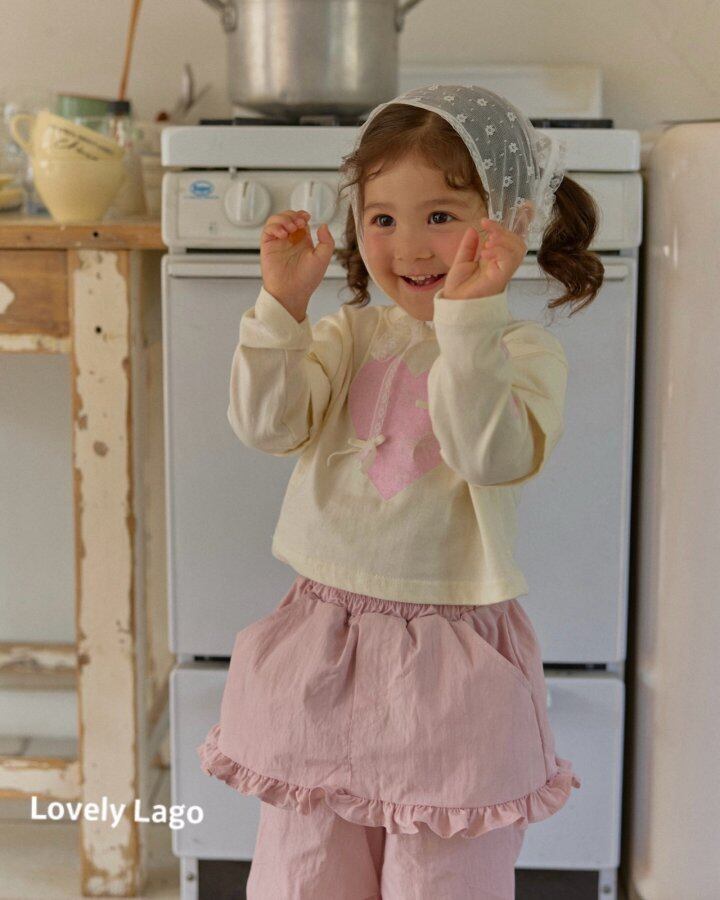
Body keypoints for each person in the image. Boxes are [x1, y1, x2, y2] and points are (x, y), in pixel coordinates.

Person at [198, 84, 603, 899]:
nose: (410, 246)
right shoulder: (347, 334)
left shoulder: (521, 352)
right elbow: (268, 425)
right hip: (325, 646)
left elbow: (486, 453)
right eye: (382, 218)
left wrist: (469, 321)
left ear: (510, 223)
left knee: (442, 875)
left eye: (440, 216)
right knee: (307, 868)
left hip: (451, 670)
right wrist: (282, 307)